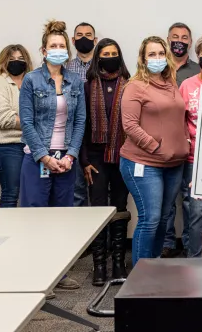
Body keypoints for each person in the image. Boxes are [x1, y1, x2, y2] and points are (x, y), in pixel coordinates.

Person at [19, 20, 85, 293]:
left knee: (62, 218)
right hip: (37, 158)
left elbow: (80, 121)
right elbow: (27, 122)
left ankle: (60, 274)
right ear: (43, 50)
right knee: (36, 218)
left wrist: (70, 155)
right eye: (52, 46)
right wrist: (44, 156)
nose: (57, 50)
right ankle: (34, 275)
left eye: (61, 46)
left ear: (67, 51)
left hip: (66, 158)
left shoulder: (75, 81)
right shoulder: (31, 80)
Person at [119, 36, 190, 267]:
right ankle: (140, 276)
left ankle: (155, 268)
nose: (157, 58)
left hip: (174, 164)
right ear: (143, 59)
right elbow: (129, 126)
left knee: (163, 220)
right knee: (150, 219)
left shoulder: (171, 84)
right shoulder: (134, 86)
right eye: (152, 54)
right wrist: (156, 147)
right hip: (143, 163)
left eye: (161, 53)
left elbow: (178, 118)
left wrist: (184, 141)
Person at [165, 35, 202, 259]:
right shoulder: (187, 85)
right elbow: (180, 119)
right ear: (198, 57)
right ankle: (195, 256)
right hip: (193, 158)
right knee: (195, 210)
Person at [80, 38, 131, 286]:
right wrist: (84, 160)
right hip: (96, 158)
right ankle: (99, 264)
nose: (110, 57)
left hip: (123, 155)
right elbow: (81, 124)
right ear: (98, 57)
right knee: (99, 209)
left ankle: (119, 262)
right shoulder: (87, 86)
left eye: (114, 53)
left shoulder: (130, 85)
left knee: (120, 208)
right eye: (105, 53)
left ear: (119, 57)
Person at [0, 44, 33, 208]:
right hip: (7, 146)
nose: (16, 62)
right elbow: (3, 118)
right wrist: (33, 124)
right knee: (11, 192)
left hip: (31, 145)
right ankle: (6, 231)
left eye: (21, 59)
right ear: (4, 62)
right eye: (11, 59)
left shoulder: (32, 81)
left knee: (31, 192)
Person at [67, 22, 97, 207]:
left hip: (98, 138)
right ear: (72, 40)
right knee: (77, 192)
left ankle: (103, 237)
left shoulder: (104, 67)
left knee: (101, 192)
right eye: (79, 35)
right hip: (73, 136)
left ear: (95, 40)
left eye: (88, 35)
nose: (84, 38)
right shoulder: (65, 68)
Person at [168, 23, 200, 88]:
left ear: (190, 43)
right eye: (175, 37)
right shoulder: (159, 68)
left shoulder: (199, 71)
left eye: (184, 38)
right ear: (168, 41)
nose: (180, 41)